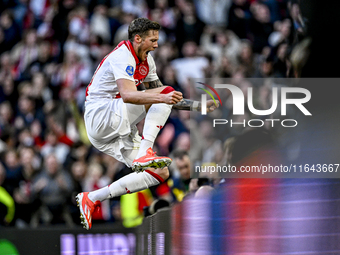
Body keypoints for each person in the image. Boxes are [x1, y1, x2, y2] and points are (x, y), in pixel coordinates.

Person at [76, 17, 218, 230]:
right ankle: (145, 150)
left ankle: (92, 198)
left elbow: (167, 99)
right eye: (152, 40)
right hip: (100, 116)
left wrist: (198, 107)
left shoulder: (147, 61)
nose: (156, 44)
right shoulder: (122, 55)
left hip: (113, 130)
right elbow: (128, 95)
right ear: (138, 38)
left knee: (160, 173)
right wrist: (162, 97)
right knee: (162, 94)